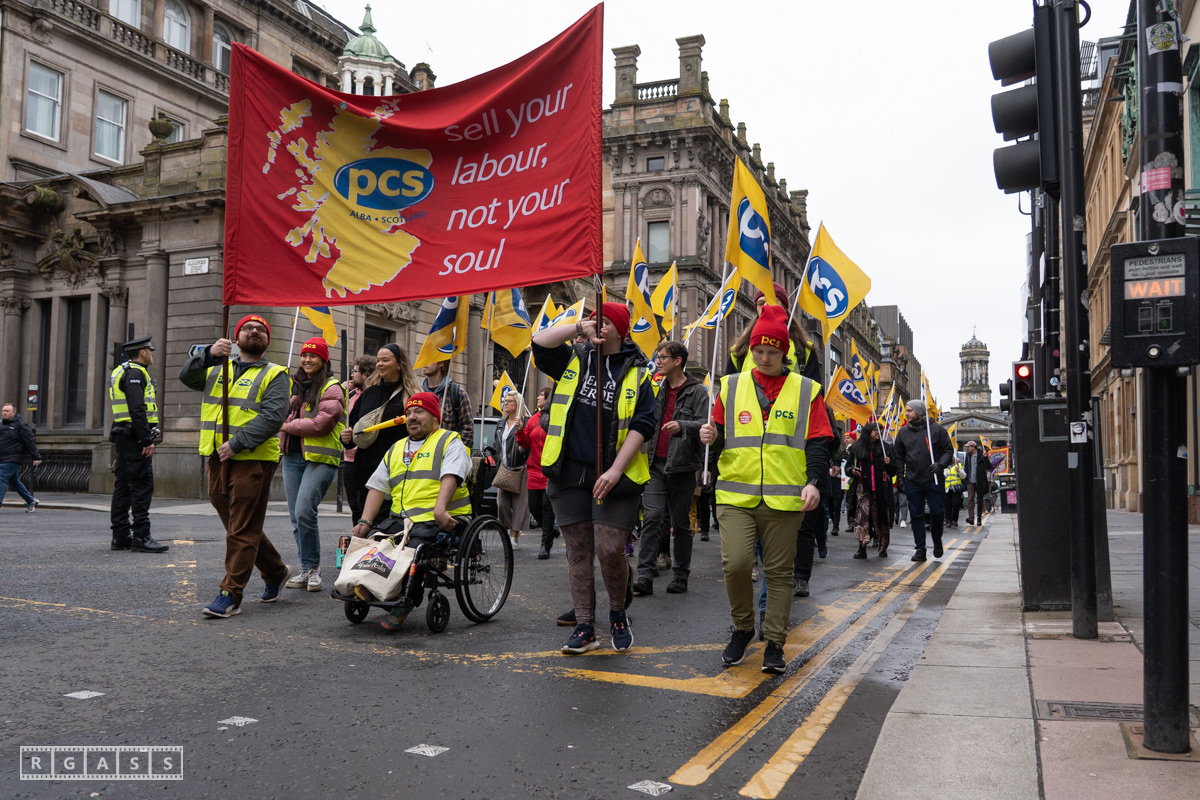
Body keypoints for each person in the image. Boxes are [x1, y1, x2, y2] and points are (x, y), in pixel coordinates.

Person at [699, 305, 832, 674]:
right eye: (758, 351)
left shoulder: (806, 390)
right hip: (735, 494)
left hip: (785, 496)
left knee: (779, 573)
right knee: (736, 564)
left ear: (784, 352)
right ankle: (743, 628)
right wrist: (709, 434)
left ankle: (774, 641)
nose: (763, 358)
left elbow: (819, 441)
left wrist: (814, 482)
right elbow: (720, 434)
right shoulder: (731, 385)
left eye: (772, 352)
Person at [532, 302, 656, 655]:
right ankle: (585, 625)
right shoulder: (575, 358)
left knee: (610, 549)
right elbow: (539, 343)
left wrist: (615, 470)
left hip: (615, 477)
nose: (597, 325)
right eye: (594, 320)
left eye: (605, 322)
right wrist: (577, 328)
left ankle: (618, 613)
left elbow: (643, 424)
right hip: (568, 472)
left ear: (620, 331)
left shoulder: (638, 373)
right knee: (578, 552)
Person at [179, 314, 293, 618]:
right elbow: (186, 377)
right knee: (241, 525)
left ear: (267, 341)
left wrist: (238, 443)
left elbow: (273, 417)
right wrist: (207, 354)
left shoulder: (276, 373)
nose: (254, 331)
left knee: (241, 528)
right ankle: (275, 571)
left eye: (261, 329)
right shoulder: (217, 367)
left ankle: (230, 593)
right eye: (248, 328)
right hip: (217, 457)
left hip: (252, 458)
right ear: (236, 338)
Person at [351, 392, 473, 631]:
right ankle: (370, 585)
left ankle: (406, 600)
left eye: (419, 411)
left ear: (435, 416)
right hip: (402, 519)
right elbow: (378, 486)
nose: (412, 417)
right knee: (373, 541)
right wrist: (365, 522)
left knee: (413, 550)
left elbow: (452, 475)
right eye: (408, 413)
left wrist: (440, 510)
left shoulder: (449, 441)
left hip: (437, 518)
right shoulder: (397, 448)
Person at [633, 340, 707, 596]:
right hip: (654, 463)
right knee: (652, 517)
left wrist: (682, 425)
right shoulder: (656, 387)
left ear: (677, 361)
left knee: (681, 523)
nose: (658, 361)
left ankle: (680, 575)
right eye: (657, 357)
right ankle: (645, 575)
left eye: (663, 357)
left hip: (682, 466)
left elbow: (705, 424)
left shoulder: (698, 391)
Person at [279, 337, 346, 593]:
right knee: (296, 517)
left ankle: (314, 569)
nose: (307, 360)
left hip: (320, 459)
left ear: (324, 360)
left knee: (305, 511)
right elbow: (275, 412)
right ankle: (306, 568)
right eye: (304, 355)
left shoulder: (332, 387)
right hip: (291, 457)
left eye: (313, 356)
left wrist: (285, 426)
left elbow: (320, 425)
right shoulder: (292, 384)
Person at [342, 343, 419, 525]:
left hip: (397, 469)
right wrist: (346, 439)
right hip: (365, 469)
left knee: (386, 521)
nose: (380, 364)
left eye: (385, 360)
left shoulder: (411, 396)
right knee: (362, 518)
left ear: (399, 364)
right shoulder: (368, 394)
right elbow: (354, 429)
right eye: (378, 360)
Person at [106, 336, 169, 551]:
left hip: (124, 435)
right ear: (143, 352)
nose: (152, 354)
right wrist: (146, 439)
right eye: (150, 351)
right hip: (134, 437)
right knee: (142, 485)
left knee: (123, 486)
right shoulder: (135, 373)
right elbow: (137, 408)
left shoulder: (120, 371)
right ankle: (141, 537)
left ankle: (120, 536)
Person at [892, 400, 954, 562]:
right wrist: (900, 478)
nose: (906, 414)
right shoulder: (903, 432)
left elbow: (948, 451)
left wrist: (940, 464)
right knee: (916, 515)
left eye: (910, 411)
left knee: (937, 512)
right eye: (906, 410)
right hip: (913, 480)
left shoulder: (937, 430)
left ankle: (937, 541)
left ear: (919, 412)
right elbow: (898, 457)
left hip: (934, 479)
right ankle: (920, 549)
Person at [725, 281, 822, 384]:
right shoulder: (738, 351)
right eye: (761, 303)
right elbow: (728, 388)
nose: (766, 306)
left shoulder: (804, 350)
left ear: (784, 307)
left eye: (772, 302)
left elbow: (814, 391)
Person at [517, 386, 557, 559]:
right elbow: (525, 443)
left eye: (541, 395)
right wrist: (520, 431)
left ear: (549, 399)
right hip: (534, 469)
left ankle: (545, 544)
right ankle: (551, 531)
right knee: (534, 507)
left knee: (547, 507)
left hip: (549, 470)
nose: (538, 398)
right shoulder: (533, 419)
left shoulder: (556, 418)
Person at [847, 422, 897, 558]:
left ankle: (882, 547)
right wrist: (852, 471)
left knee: (882, 518)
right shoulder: (857, 448)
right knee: (862, 519)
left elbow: (893, 471)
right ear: (868, 432)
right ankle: (862, 547)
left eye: (879, 430)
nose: (878, 432)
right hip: (863, 488)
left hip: (882, 489)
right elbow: (848, 467)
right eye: (875, 430)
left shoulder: (887, 448)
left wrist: (889, 464)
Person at [493, 391, 530, 549]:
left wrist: (522, 452)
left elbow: (528, 444)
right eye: (505, 401)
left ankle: (514, 534)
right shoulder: (501, 423)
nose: (506, 403)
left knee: (520, 504)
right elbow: (497, 445)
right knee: (502, 504)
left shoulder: (525, 422)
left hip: (521, 468)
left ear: (518, 404)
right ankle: (509, 527)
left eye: (510, 401)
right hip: (504, 467)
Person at [342, 354, 377, 522]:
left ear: (365, 374)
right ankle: (357, 535)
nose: (351, 375)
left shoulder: (374, 396)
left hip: (366, 457)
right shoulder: (351, 395)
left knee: (366, 505)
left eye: (355, 371)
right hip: (349, 458)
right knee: (354, 506)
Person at [420, 359, 474, 449]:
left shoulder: (458, 393)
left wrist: (452, 450)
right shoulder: (417, 393)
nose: (424, 362)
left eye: (429, 359)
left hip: (447, 453)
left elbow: (467, 428)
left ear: (441, 363)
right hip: (421, 453)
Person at [0, 403, 41, 512]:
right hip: (2, 458)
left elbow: (29, 441)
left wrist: (36, 456)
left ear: (14, 412)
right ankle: (30, 500)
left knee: (1, 477)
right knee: (14, 482)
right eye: (3, 411)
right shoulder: (1, 425)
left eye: (7, 411)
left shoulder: (20, 425)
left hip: (13, 458)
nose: (4, 413)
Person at [962, 441, 989, 525]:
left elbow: (988, 466)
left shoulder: (981, 454)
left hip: (979, 481)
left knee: (979, 500)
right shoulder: (968, 456)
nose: (967, 448)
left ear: (973, 447)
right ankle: (971, 517)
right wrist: (966, 479)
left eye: (968, 447)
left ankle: (979, 518)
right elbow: (966, 467)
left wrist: (985, 457)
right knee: (970, 499)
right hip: (970, 481)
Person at [944, 456, 966, 528]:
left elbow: (964, 476)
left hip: (956, 489)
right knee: (947, 506)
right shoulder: (944, 466)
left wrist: (959, 471)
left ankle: (955, 520)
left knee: (956, 504)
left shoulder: (958, 465)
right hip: (947, 488)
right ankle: (949, 521)